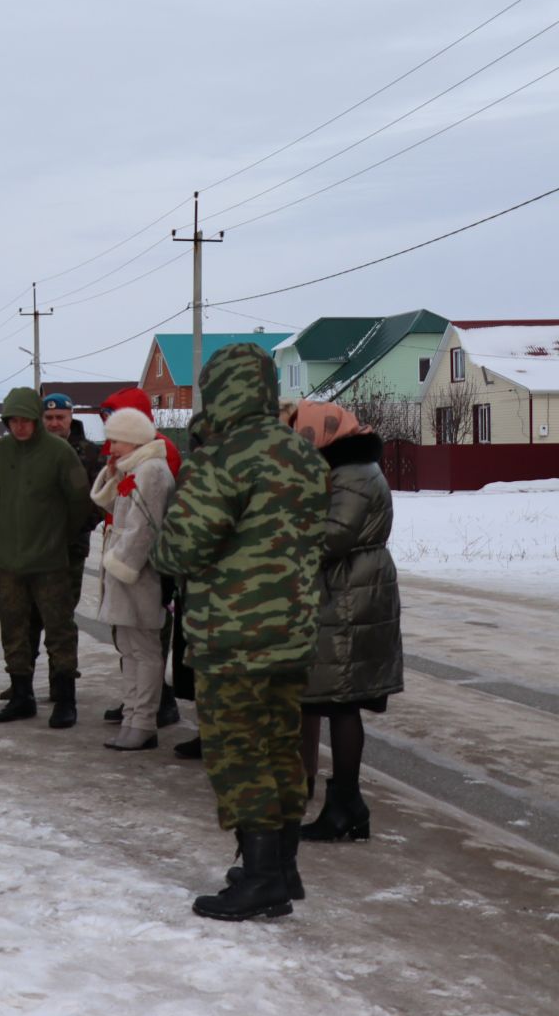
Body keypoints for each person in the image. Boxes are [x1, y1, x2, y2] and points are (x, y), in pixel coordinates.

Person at [154, 343, 328, 921]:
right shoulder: (302, 455)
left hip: (234, 635)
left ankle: (259, 881)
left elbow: (181, 547)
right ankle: (282, 866)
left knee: (239, 755)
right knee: (281, 747)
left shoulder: (223, 458)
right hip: (292, 631)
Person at [288, 400, 402, 843]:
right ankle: (347, 805)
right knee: (336, 700)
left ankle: (346, 805)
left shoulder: (352, 473)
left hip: (351, 590)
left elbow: (333, 536)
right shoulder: (348, 468)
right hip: (349, 586)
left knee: (342, 701)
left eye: (304, 431)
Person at [0, 387, 92, 728]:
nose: (19, 427)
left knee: (59, 630)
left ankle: (65, 697)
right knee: (14, 628)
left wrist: (59, 537)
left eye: (25, 420)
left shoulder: (60, 453)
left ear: (35, 419)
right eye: (12, 421)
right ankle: (21, 695)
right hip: (11, 562)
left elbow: (80, 503)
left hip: (51, 561)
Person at [88, 404, 178, 750]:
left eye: (116, 441)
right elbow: (111, 505)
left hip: (139, 574)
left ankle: (143, 720)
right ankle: (132, 716)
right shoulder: (136, 469)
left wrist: (119, 560)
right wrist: (112, 474)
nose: (110, 448)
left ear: (132, 440)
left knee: (143, 648)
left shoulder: (152, 472)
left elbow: (144, 528)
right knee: (129, 647)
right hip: (126, 572)